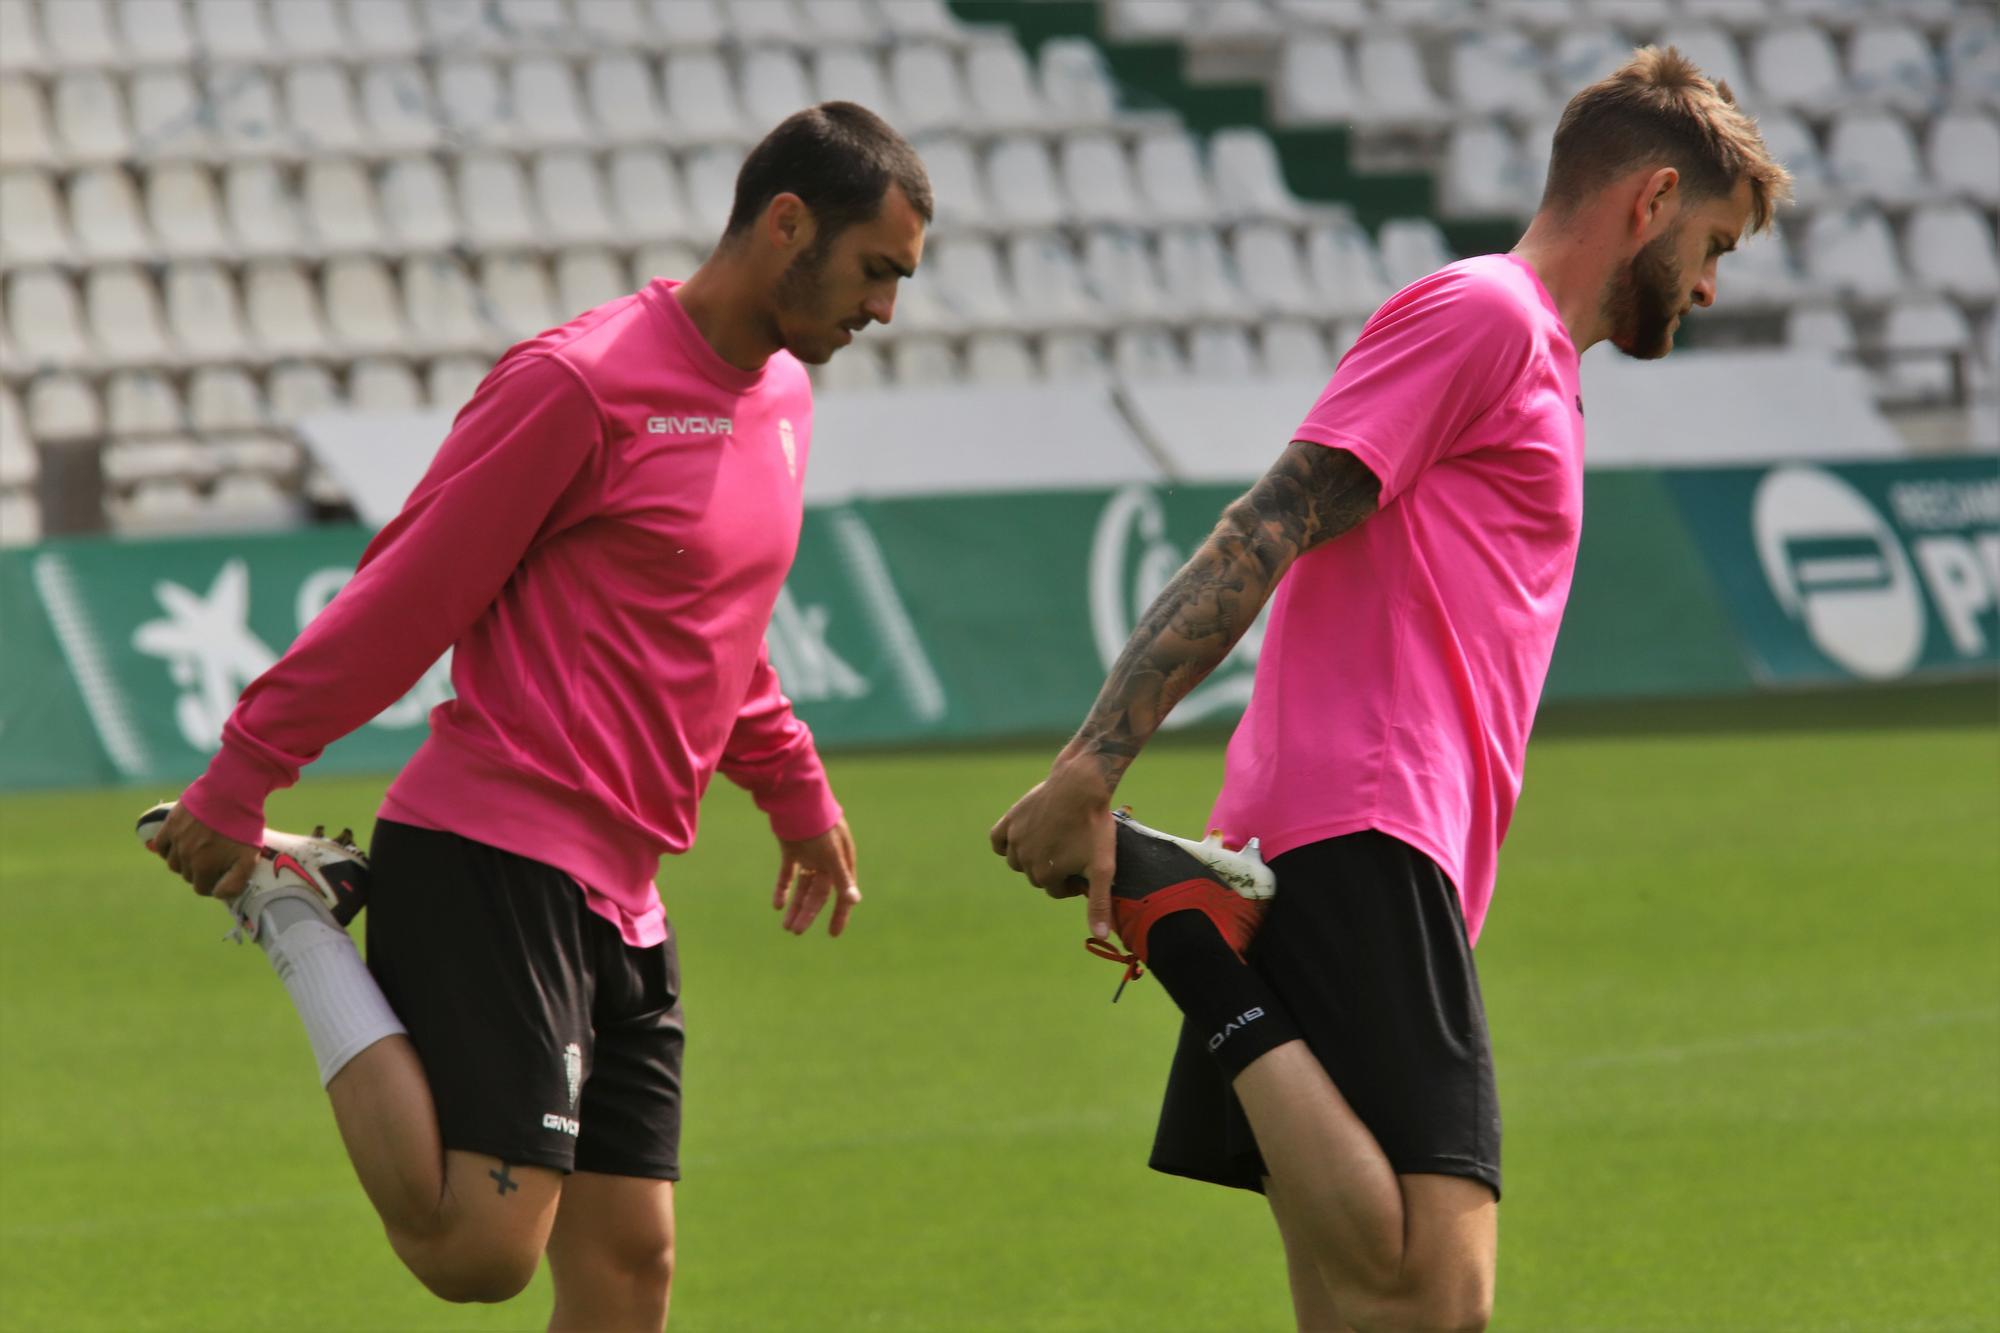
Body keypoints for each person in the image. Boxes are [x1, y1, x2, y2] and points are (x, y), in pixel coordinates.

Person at [989, 49, 1790, 1333]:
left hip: (1361, 827)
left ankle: (1189, 926)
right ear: (1647, 199)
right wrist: (1094, 761)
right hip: (1367, 818)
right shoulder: (1483, 316)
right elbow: (1274, 515)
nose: (1703, 283)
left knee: (1362, 1313)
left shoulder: (1536, 362)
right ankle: (1184, 927)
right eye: (1711, 243)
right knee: (1436, 1299)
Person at [145, 102, 930, 1332]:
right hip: (497, 856)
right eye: (876, 270)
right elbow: (407, 593)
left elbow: (719, 628)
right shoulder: (579, 382)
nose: (885, 309)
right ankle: (290, 910)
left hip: (627, 886)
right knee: (479, 1250)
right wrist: (245, 774)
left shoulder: (780, 395)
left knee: (629, 1271)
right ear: (787, 224)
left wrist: (795, 791)